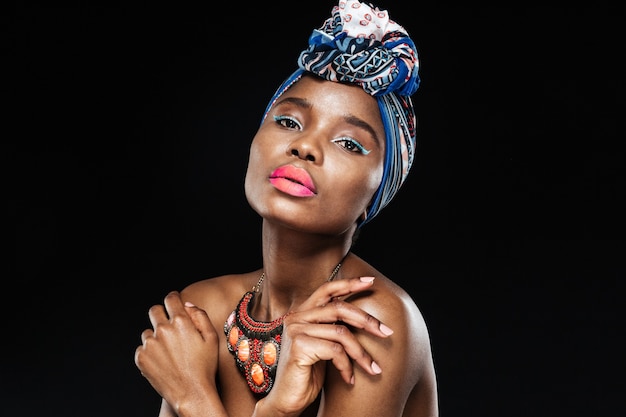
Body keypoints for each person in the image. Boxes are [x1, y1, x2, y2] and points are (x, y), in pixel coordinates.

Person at [134, 1, 438, 416]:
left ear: (377, 192)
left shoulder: (371, 323)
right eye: (289, 122)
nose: (305, 147)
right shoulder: (204, 306)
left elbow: (195, 402)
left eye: (349, 143)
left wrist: (194, 398)